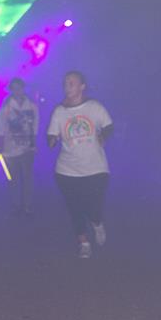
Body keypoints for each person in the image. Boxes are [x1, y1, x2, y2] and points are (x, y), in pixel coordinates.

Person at [47, 71, 113, 258]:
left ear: (82, 86)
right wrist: (52, 139)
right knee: (75, 207)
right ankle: (83, 242)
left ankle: (97, 223)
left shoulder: (94, 107)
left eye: (71, 83)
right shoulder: (59, 111)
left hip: (96, 168)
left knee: (94, 206)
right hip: (67, 170)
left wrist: (103, 136)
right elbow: (51, 135)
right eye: (65, 83)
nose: (67, 87)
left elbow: (109, 126)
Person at [0, 77, 39, 216]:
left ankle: (27, 205)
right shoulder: (6, 107)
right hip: (10, 149)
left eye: (19, 88)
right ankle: (15, 205)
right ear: (11, 90)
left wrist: (34, 144)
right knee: (13, 179)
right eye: (14, 88)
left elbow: (35, 127)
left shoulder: (31, 106)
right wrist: (0, 146)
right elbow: (0, 127)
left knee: (27, 178)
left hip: (27, 148)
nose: (17, 91)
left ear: (23, 88)